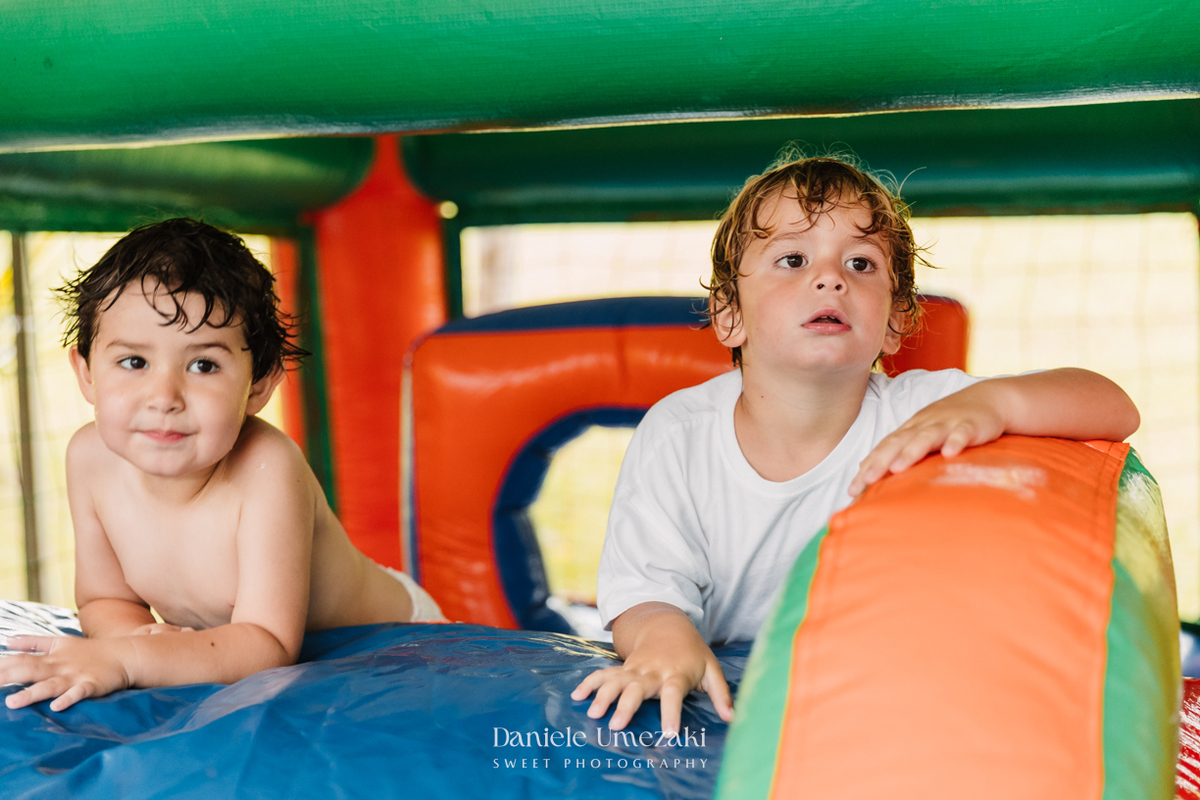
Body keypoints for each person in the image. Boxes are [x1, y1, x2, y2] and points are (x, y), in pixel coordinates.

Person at [571, 155, 1140, 735]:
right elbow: (645, 592)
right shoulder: (679, 433)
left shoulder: (918, 410)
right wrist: (665, 644)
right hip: (723, 697)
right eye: (793, 259)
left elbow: (1114, 405)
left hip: (867, 684)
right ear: (729, 315)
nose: (830, 277)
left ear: (894, 322)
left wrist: (996, 404)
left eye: (861, 263)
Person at [0, 218, 443, 712]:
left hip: (399, 644)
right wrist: (141, 641)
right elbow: (107, 601)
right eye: (133, 362)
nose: (164, 397)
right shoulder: (90, 459)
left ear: (258, 385)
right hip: (236, 646)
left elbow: (267, 644)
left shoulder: (268, 467)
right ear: (85, 373)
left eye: (203, 365)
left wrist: (128, 660)